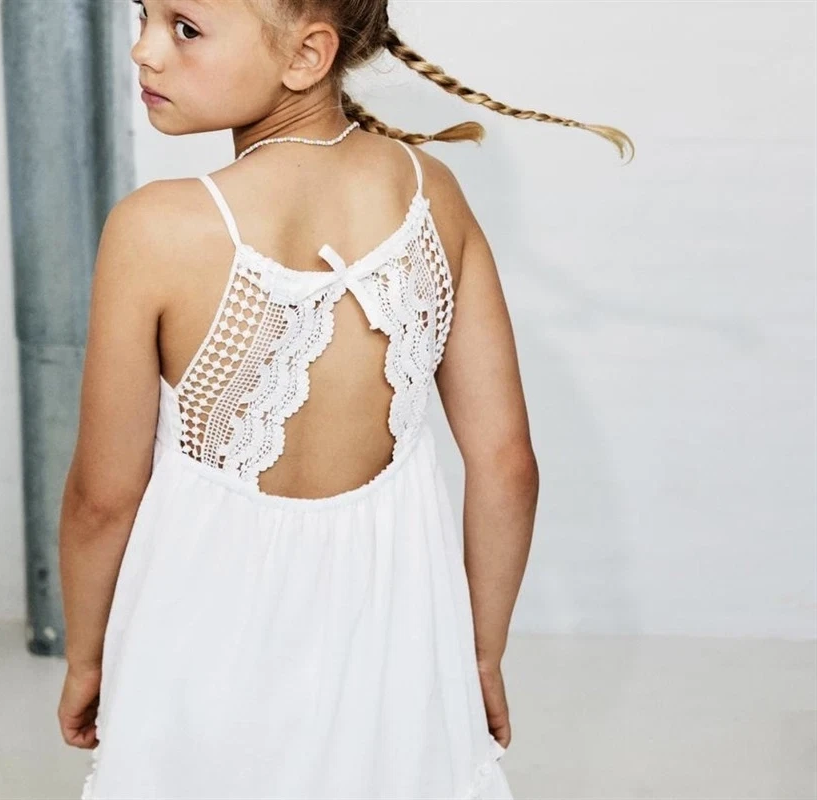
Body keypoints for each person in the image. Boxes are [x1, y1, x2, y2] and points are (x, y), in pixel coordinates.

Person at [57, 1, 633, 797]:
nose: (144, 51)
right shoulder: (433, 195)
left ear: (306, 56)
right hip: (393, 627)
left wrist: (87, 658)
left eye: (184, 28)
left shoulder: (156, 228)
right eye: (144, 15)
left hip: (202, 625)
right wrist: (478, 654)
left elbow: (101, 499)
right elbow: (508, 465)